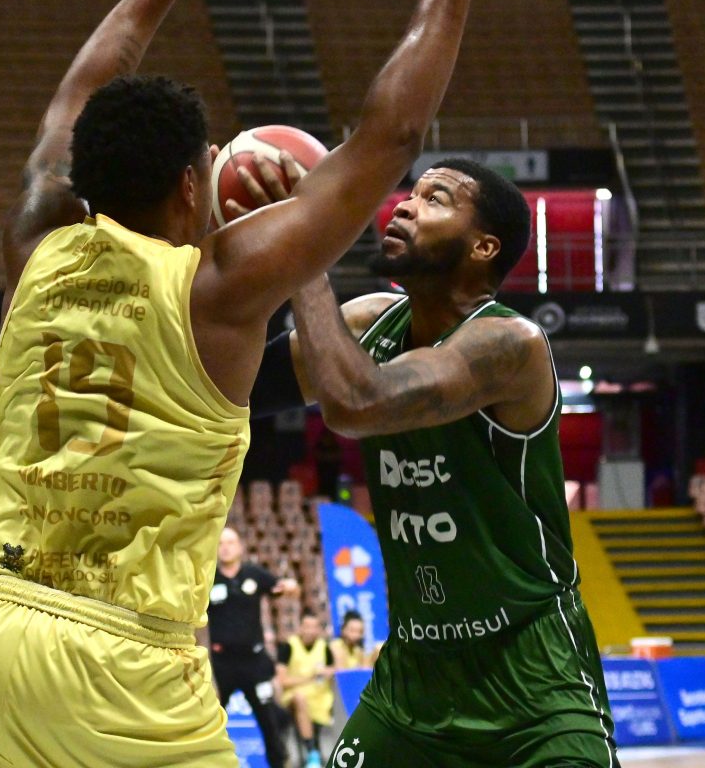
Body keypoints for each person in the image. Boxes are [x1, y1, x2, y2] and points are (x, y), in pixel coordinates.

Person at [0, 0, 473, 763]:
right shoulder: (219, 289)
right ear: (192, 185)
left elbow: (75, 97)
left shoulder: (34, 245)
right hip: (122, 664)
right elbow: (392, 137)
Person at [252, 157, 620, 766]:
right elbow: (233, 387)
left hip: (533, 680)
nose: (404, 205)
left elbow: (357, 403)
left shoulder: (511, 344)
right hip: (412, 681)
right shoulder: (370, 322)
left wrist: (304, 246)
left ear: (483, 247)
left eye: (436, 198)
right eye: (411, 193)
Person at [207, 526, 299, 768]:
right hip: (222, 664)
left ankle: (280, 763)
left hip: (253, 662)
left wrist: (290, 586)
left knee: (268, 720)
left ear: (240, 547)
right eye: (221, 543)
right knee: (211, 720)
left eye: (230, 542)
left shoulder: (254, 574)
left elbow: (282, 587)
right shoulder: (208, 578)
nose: (225, 548)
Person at [277, 612, 337, 768]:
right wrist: (309, 677)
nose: (310, 631)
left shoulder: (324, 647)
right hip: (294, 695)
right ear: (300, 627)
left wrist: (330, 671)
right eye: (307, 626)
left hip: (320, 696)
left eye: (314, 627)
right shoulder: (288, 646)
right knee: (300, 698)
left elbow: (335, 669)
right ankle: (312, 752)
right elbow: (282, 680)